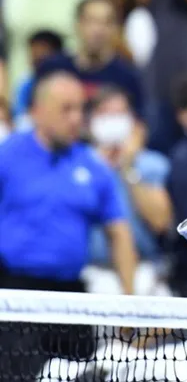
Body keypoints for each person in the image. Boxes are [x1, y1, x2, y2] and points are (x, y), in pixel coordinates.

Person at [0, 71, 137, 382]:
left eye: (80, 109)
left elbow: (119, 233)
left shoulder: (94, 167)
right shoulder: (6, 156)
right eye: (66, 109)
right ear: (37, 110)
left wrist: (130, 301)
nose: (77, 118)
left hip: (71, 298)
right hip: (15, 297)